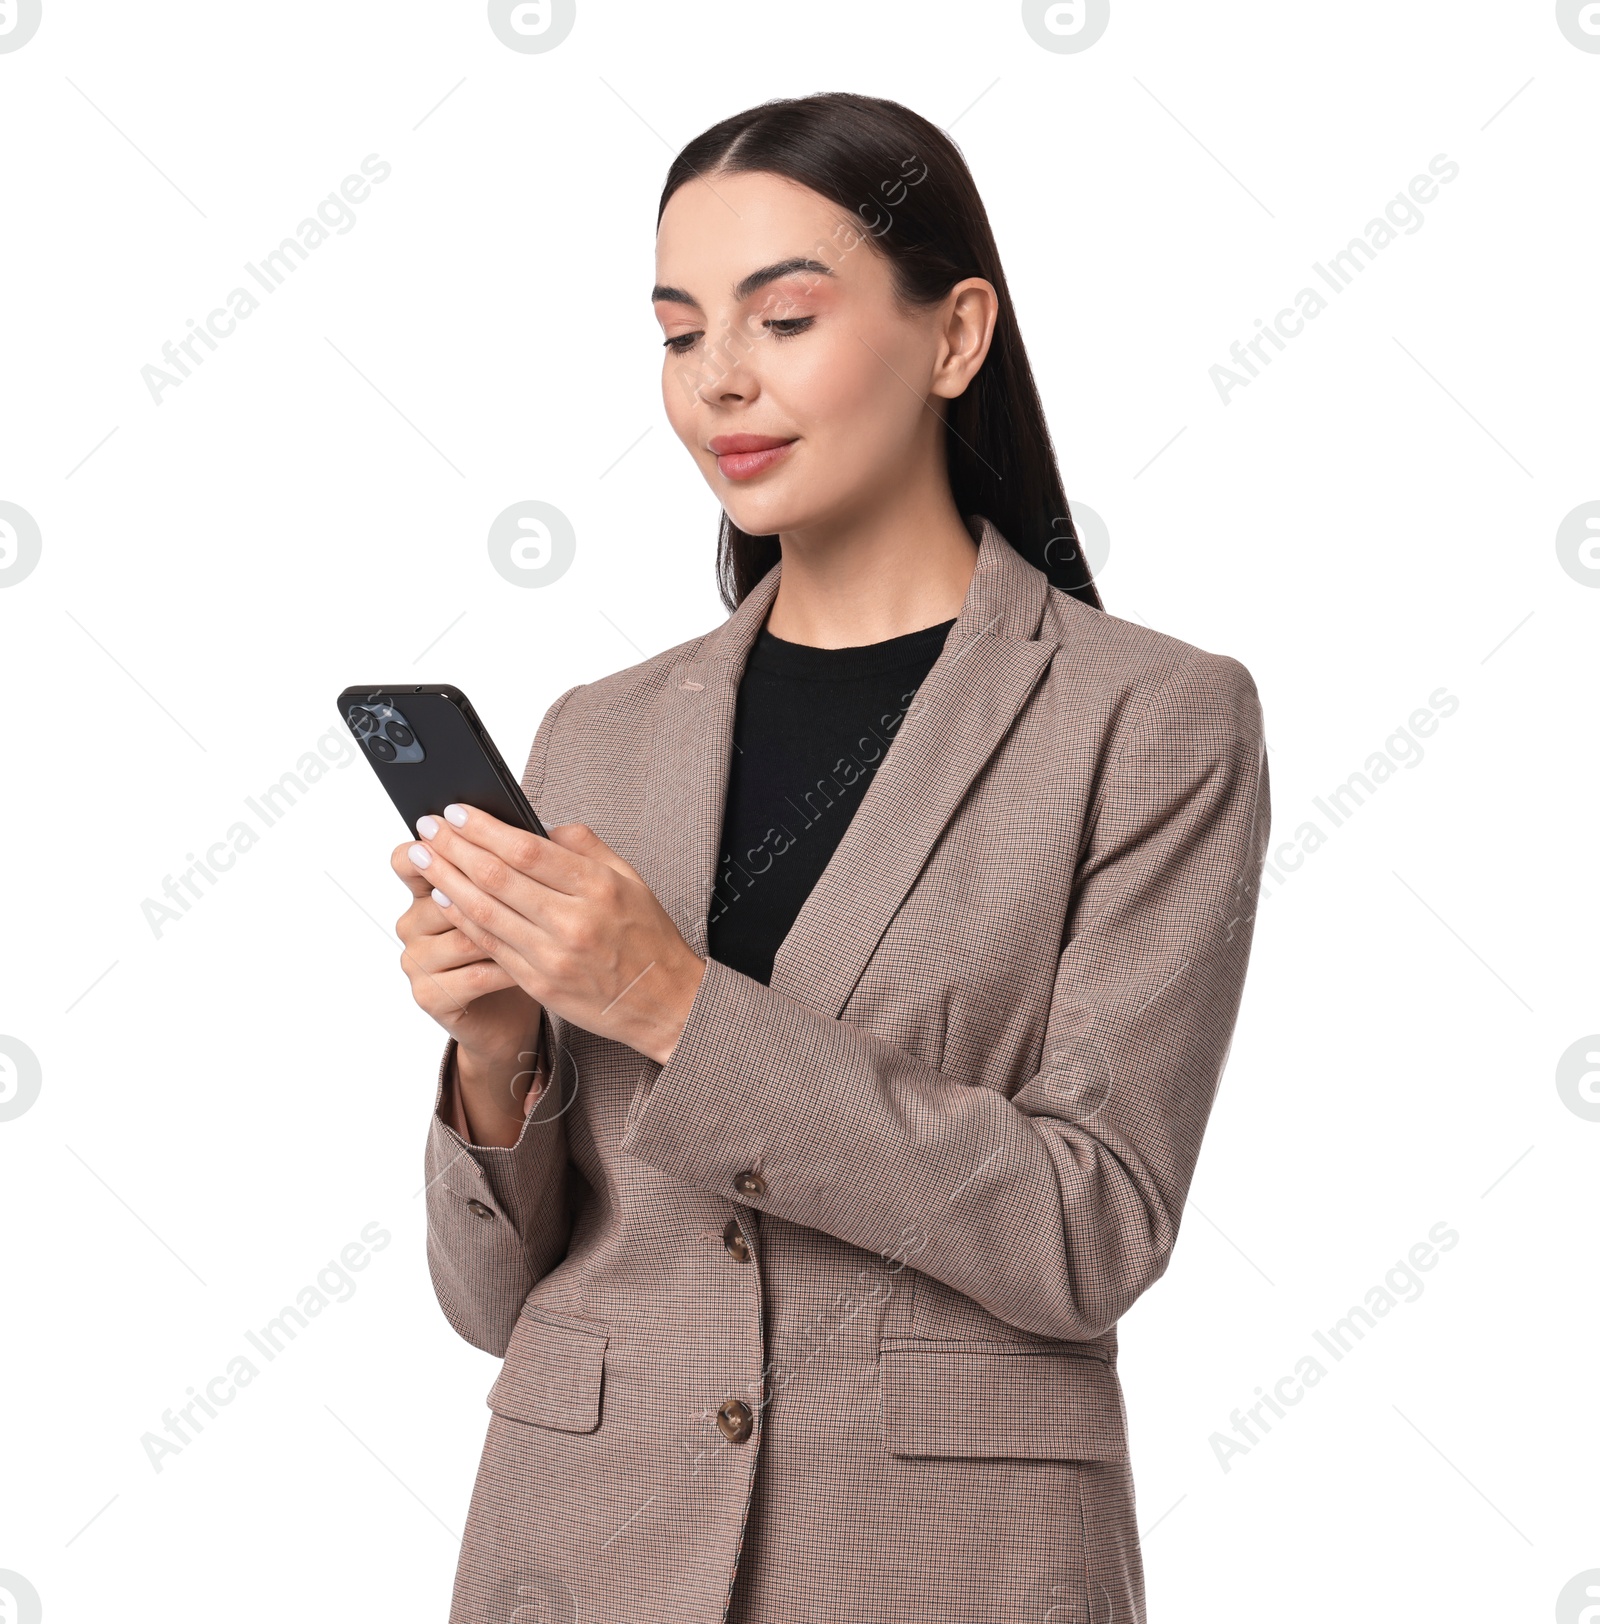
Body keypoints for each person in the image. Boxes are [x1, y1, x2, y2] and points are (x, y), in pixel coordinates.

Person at [391, 91, 1270, 1624]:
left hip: (936, 1567)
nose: (720, 379)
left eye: (783, 318)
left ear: (954, 336)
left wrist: (673, 1003)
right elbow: (494, 1306)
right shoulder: (593, 735)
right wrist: (493, 1056)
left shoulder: (1153, 720)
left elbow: (1091, 1228)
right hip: (579, 1552)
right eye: (677, 334)